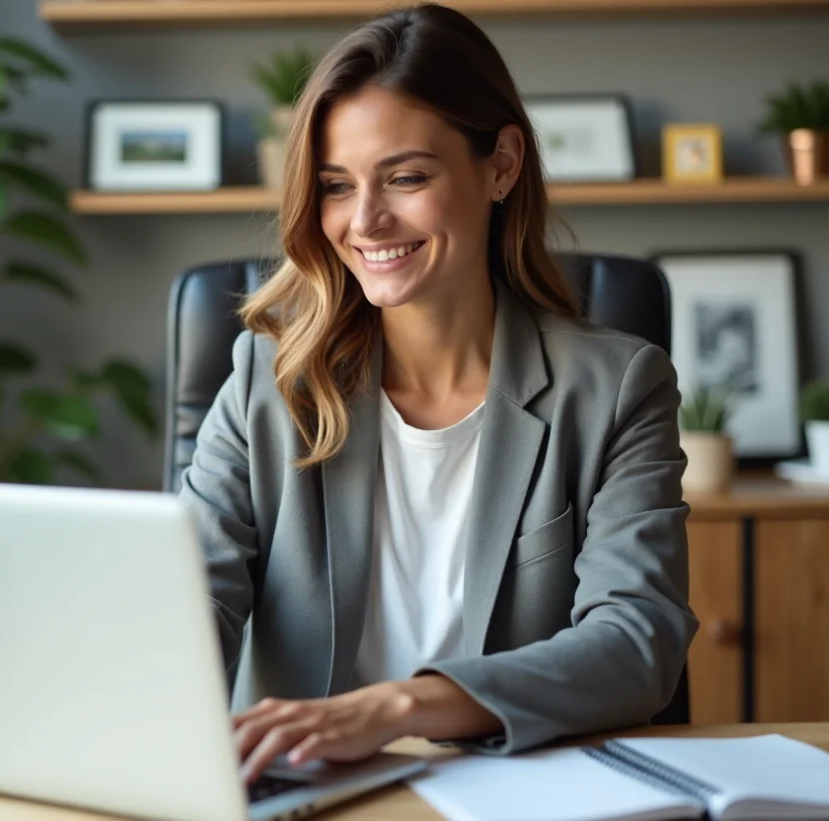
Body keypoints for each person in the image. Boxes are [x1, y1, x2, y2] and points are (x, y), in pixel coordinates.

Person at [177, 2, 698, 784]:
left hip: (520, 790)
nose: (366, 220)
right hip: (312, 795)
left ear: (502, 165)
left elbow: (638, 639)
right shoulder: (268, 382)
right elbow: (187, 603)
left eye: (406, 177)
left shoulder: (616, 389)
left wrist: (398, 706)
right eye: (335, 186)